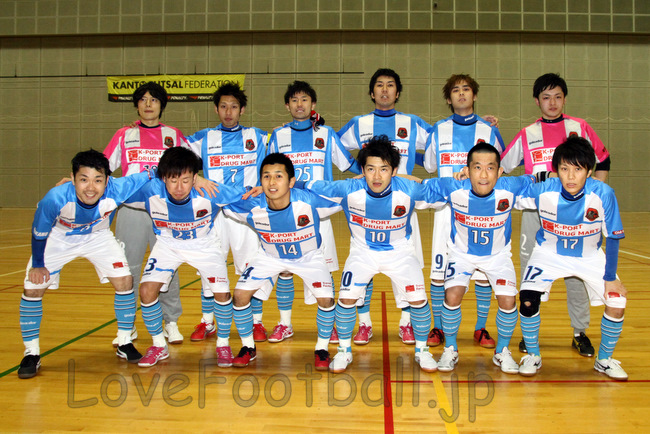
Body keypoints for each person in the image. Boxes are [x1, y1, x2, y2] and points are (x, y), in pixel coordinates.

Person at [297, 135, 438, 373]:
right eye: (371, 169)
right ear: (362, 170)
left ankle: (422, 351)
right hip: (362, 252)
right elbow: (310, 185)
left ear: (394, 171)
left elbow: (442, 190)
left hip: (400, 253)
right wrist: (283, 183)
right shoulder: (348, 189)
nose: (377, 176)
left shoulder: (409, 190)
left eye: (384, 169)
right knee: (346, 300)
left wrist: (465, 178)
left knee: (418, 300)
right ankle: (344, 351)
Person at [500, 73, 611, 356]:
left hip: (577, 216)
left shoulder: (579, 127)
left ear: (565, 99)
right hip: (537, 213)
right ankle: (529, 334)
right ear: (537, 101)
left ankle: (579, 332)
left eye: (558, 97)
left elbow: (603, 159)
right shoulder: (527, 133)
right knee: (531, 273)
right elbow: (501, 166)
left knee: (577, 276)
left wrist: (596, 194)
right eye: (546, 97)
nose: (552, 102)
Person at [17, 150, 153, 378]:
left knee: (125, 280)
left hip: (98, 236)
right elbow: (39, 233)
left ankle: (124, 342)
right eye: (84, 179)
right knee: (32, 288)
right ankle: (31, 353)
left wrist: (195, 178)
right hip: (58, 237)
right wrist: (38, 264)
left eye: (98, 180)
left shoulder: (118, 188)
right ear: (72, 178)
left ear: (107, 180)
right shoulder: (55, 199)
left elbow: (154, 172)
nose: (91, 187)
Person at [516, 136, 627, 380]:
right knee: (527, 299)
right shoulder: (544, 189)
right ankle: (533, 355)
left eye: (578, 169)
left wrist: (610, 278)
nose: (570, 176)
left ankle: (604, 360)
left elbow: (613, 237)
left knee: (617, 302)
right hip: (548, 253)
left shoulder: (603, 194)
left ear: (589, 171)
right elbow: (509, 189)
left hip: (589, 256)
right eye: (564, 169)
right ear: (556, 170)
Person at [124, 147, 245, 368]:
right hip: (168, 245)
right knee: (146, 290)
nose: (179, 188)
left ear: (195, 178)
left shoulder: (210, 191)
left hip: (204, 245)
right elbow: (112, 190)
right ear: (163, 178)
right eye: (173, 180)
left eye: (186, 180)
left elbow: (245, 195)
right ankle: (158, 345)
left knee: (221, 292)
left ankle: (223, 344)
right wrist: (73, 187)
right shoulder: (151, 191)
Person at [418, 143, 533, 373]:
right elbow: (416, 185)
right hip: (461, 254)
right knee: (452, 295)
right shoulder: (453, 187)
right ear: (467, 170)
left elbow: (539, 180)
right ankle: (450, 348)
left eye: (490, 168)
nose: (483, 174)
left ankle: (502, 351)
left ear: (500, 172)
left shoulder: (510, 187)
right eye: (477, 167)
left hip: (498, 256)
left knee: (508, 300)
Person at [337, 68, 432, 345]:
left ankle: (406, 324)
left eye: (390, 85)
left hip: (401, 206)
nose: (385, 89)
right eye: (379, 85)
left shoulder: (412, 123)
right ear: (371, 92)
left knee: (405, 267)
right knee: (362, 266)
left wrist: (484, 126)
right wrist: (359, 172)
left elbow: (439, 143)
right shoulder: (359, 123)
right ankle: (364, 324)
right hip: (366, 207)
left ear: (397, 92)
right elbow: (332, 145)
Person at [224, 153, 341, 370]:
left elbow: (344, 196)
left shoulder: (309, 201)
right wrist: (198, 181)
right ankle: (248, 347)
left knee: (326, 300)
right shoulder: (251, 205)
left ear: (291, 181)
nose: (272, 182)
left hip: (309, 257)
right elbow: (219, 200)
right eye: (266, 176)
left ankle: (322, 349)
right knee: (239, 295)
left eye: (279, 176)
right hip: (269, 257)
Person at [264, 80, 360, 344]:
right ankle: (285, 324)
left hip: (318, 214)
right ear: (287, 105)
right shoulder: (278, 136)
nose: (300, 104)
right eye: (294, 100)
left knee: (323, 269)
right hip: (285, 213)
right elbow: (266, 170)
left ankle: (329, 325)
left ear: (313, 104)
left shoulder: (326, 134)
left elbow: (348, 164)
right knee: (284, 270)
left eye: (304, 99)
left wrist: (372, 171)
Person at [104, 82, 194, 346]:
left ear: (161, 105)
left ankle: (171, 322)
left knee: (168, 267)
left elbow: (191, 166)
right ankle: (127, 325)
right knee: (127, 268)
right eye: (143, 99)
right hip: (131, 211)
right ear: (136, 105)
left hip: (165, 213)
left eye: (153, 99)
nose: (148, 104)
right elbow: (103, 167)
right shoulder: (124, 134)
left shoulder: (173, 135)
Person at [423, 74, 506, 349]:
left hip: (480, 213)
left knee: (483, 273)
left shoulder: (488, 130)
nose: (461, 94)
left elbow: (501, 168)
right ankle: (438, 327)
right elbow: (430, 166)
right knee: (439, 273)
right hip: (447, 212)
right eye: (455, 90)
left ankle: (480, 328)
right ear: (448, 99)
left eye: (466, 89)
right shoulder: (439, 130)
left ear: (474, 95)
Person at [185, 83, 268, 345]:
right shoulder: (203, 138)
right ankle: (208, 320)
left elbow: (286, 144)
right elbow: (173, 153)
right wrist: (196, 177)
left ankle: (256, 322)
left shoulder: (258, 136)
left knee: (251, 265)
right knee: (210, 264)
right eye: (223, 106)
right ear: (216, 109)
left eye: (234, 106)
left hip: (245, 211)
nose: (228, 111)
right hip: (213, 213)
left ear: (242, 110)